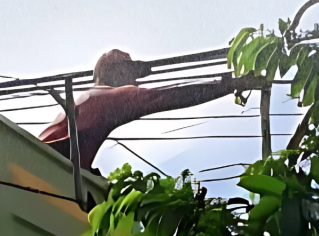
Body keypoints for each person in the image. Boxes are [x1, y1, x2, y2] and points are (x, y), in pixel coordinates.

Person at [39, 49, 259, 172]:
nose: (134, 80)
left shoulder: (84, 98)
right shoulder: (108, 98)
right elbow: (169, 96)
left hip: (43, 159)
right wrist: (230, 85)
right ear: (115, 72)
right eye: (131, 72)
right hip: (46, 167)